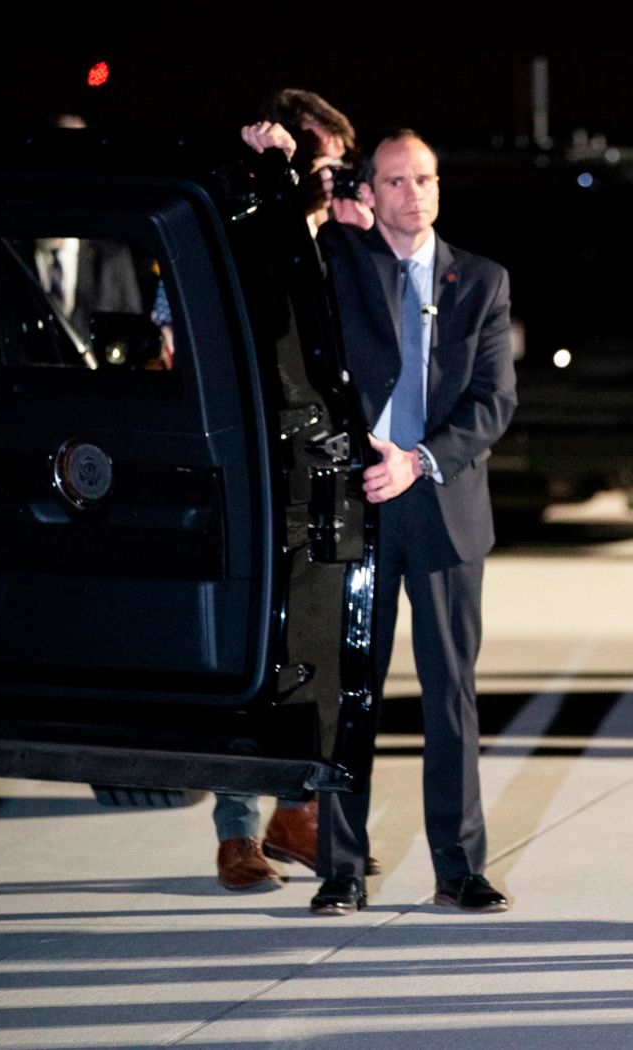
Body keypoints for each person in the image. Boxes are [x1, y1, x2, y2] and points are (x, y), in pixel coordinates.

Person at [246, 124, 517, 915]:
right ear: (367, 193)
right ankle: (340, 868)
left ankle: (460, 868)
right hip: (357, 513)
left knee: (450, 696)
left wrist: (419, 459)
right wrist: (279, 163)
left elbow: (494, 402)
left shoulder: (484, 280)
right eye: (395, 181)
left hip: (443, 512)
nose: (414, 194)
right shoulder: (338, 268)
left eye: (425, 179)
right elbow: (275, 253)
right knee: (349, 698)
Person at [213, 89, 375, 893]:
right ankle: (238, 832)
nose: (330, 180)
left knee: (313, 649)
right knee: (258, 647)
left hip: (327, 475)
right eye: (319, 163)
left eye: (338, 168)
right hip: (255, 469)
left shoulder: (340, 248)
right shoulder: (242, 235)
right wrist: (274, 189)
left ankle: (295, 810)